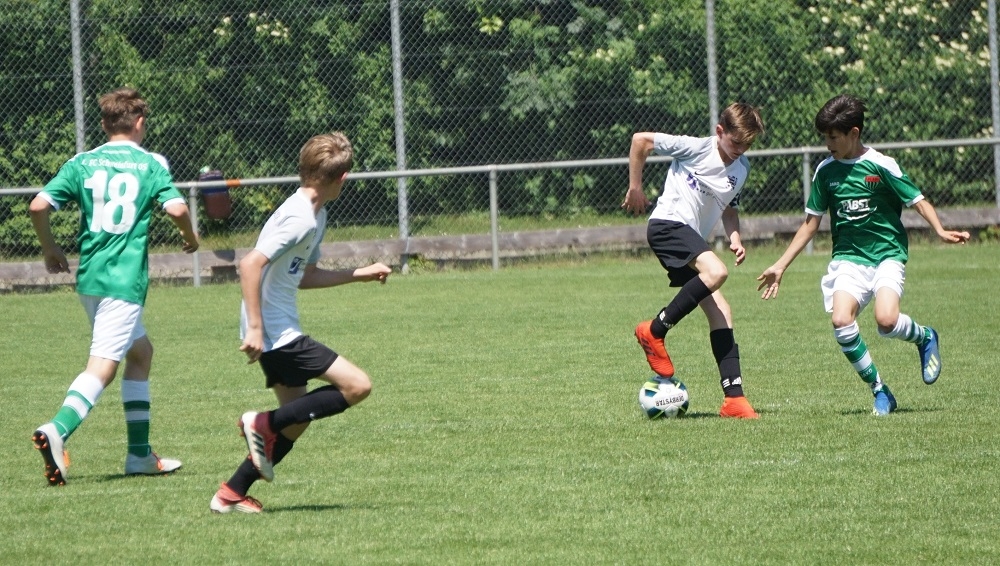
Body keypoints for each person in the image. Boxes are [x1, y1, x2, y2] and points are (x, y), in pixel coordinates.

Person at [210, 132, 392, 514]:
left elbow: (303, 276)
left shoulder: (315, 214)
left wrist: (358, 274)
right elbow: (249, 264)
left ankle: (231, 493)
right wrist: (256, 328)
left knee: (297, 420)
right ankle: (261, 422)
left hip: (275, 330)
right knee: (358, 385)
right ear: (342, 178)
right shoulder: (299, 218)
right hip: (276, 333)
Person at [756, 94, 970, 416]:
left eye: (833, 137)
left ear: (853, 133)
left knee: (886, 321)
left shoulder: (881, 165)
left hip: (887, 254)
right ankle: (880, 391)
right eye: (825, 137)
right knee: (841, 320)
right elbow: (810, 225)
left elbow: (917, 200)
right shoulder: (825, 172)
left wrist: (939, 230)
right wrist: (780, 265)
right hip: (849, 258)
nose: (827, 143)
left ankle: (925, 336)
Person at [30, 87, 200, 485]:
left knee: (140, 353)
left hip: (90, 277)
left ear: (105, 123)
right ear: (139, 123)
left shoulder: (82, 162)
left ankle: (139, 455)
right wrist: (189, 236)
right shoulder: (150, 162)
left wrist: (50, 248)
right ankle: (57, 429)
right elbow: (177, 207)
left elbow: (38, 205)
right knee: (103, 368)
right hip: (124, 281)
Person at [623, 102, 765, 419]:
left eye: (747, 145)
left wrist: (735, 237)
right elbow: (640, 140)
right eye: (736, 142)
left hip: (690, 238)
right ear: (719, 131)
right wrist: (635, 187)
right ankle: (654, 330)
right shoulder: (696, 148)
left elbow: (729, 209)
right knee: (716, 271)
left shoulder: (741, 169)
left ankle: (734, 400)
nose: (740, 150)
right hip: (668, 225)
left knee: (722, 312)